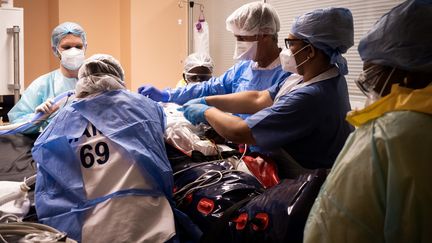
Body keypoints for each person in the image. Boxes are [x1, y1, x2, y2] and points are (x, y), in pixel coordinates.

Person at [304, 1, 432, 242]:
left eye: (373, 75)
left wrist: (207, 109)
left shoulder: (388, 135)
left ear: (409, 72)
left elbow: (334, 227)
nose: (370, 87)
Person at [180, 7, 354, 179]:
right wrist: (207, 101)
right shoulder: (309, 78)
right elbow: (258, 98)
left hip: (305, 181)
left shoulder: (312, 96)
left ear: (310, 51)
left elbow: (240, 132)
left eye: (291, 43)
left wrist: (206, 112)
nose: (286, 50)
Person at [32, 54, 178, 242]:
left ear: (81, 82)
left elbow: (49, 191)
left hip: (94, 228)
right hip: (154, 222)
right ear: (118, 78)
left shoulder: (62, 121)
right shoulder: (146, 106)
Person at [138, 1, 291, 117]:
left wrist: (212, 114)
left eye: (242, 38)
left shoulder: (288, 74)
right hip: (240, 147)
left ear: (264, 35)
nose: (238, 43)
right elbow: (209, 88)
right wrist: (168, 95)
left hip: (268, 153)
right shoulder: (243, 68)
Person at [7, 22, 87, 132]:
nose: (73, 51)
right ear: (55, 50)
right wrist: (37, 117)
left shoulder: (97, 82)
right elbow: (16, 122)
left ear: (85, 47)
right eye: (66, 47)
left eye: (78, 46)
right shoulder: (42, 85)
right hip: (56, 148)